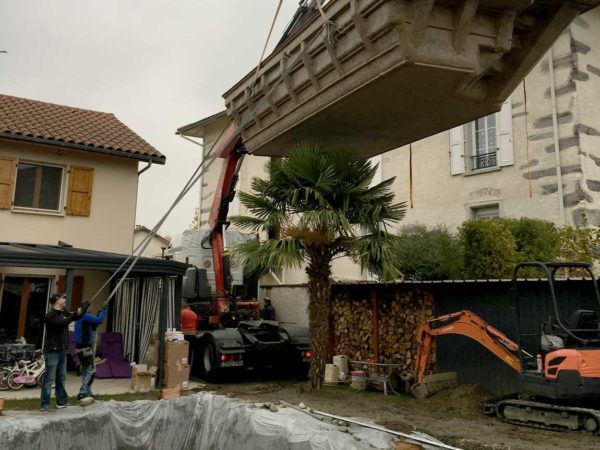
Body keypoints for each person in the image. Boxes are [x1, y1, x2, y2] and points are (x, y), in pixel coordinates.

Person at [40, 293, 84, 412]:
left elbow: (73, 317)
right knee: (49, 379)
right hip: (52, 351)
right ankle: (45, 404)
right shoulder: (50, 315)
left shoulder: (63, 312)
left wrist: (82, 311)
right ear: (56, 301)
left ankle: (62, 402)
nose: (65, 299)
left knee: (61, 377)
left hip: (62, 350)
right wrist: (73, 315)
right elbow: (62, 323)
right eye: (62, 298)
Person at [74, 300, 106, 401]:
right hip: (85, 348)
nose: (91, 308)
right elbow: (99, 320)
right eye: (90, 307)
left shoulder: (80, 316)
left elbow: (93, 327)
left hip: (80, 348)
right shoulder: (85, 315)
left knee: (86, 371)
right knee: (91, 371)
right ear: (88, 307)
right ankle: (83, 392)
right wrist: (103, 310)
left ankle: (88, 392)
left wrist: (97, 314)